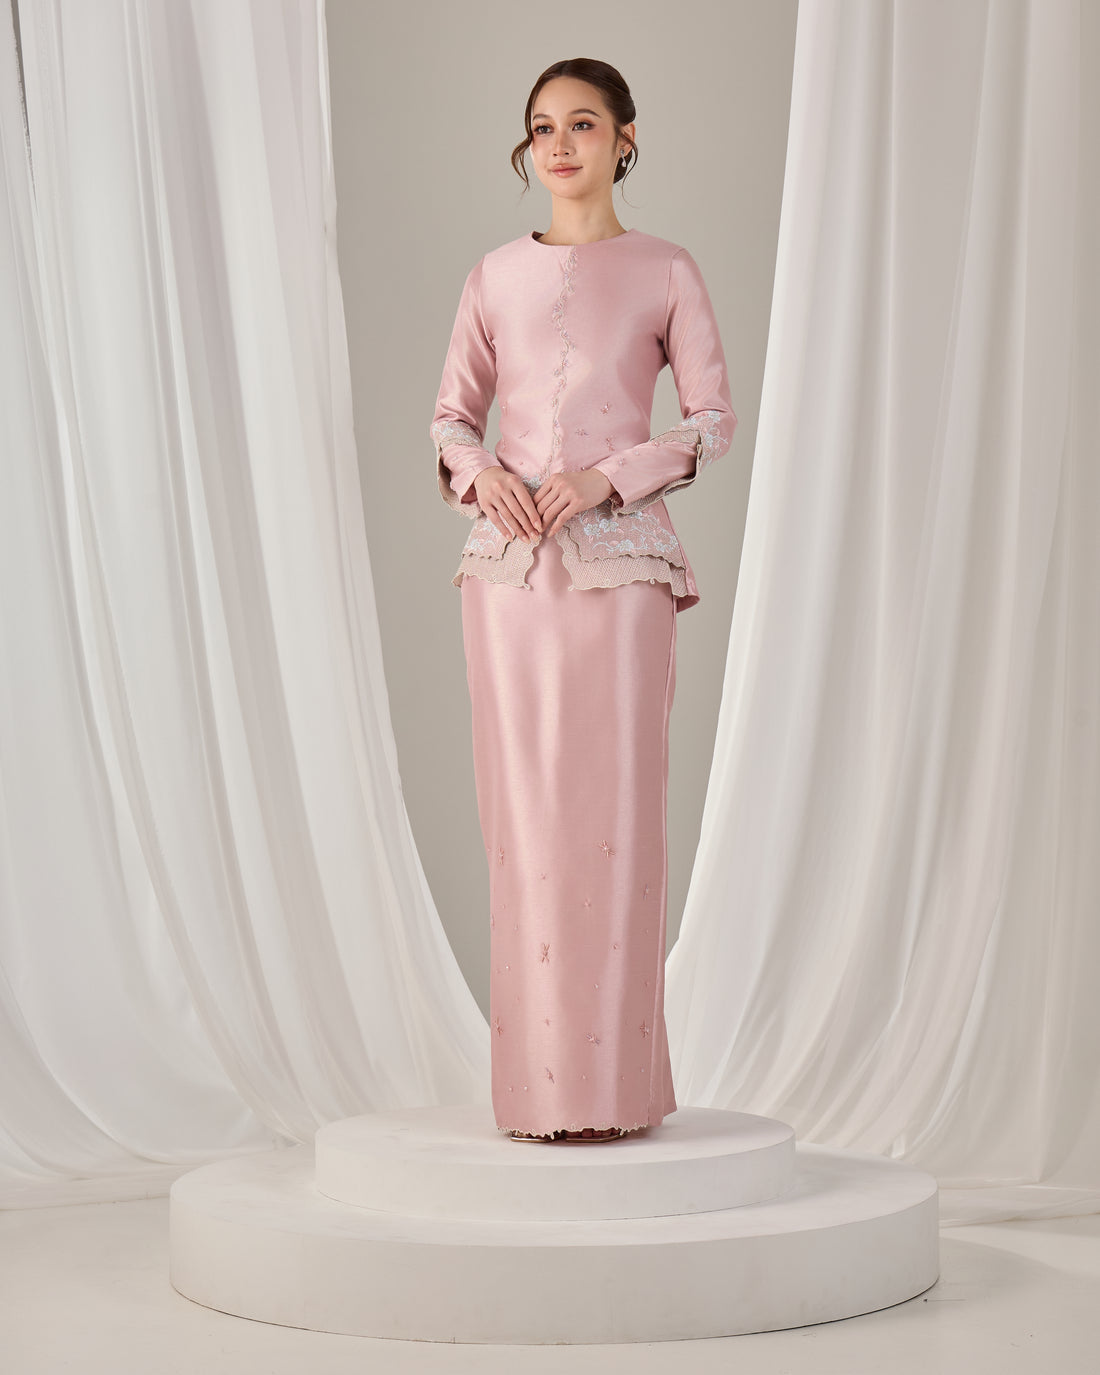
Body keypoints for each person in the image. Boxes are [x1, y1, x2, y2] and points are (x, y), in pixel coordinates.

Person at [429, 58, 737, 1143]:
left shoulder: (665, 269)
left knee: (617, 815)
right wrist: (485, 476)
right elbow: (449, 419)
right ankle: (535, 1092)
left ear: (624, 138)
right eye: (542, 127)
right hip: (508, 576)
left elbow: (710, 420)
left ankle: (614, 1093)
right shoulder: (492, 276)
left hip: (622, 573)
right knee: (521, 816)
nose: (558, 144)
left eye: (582, 124)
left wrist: (609, 477)